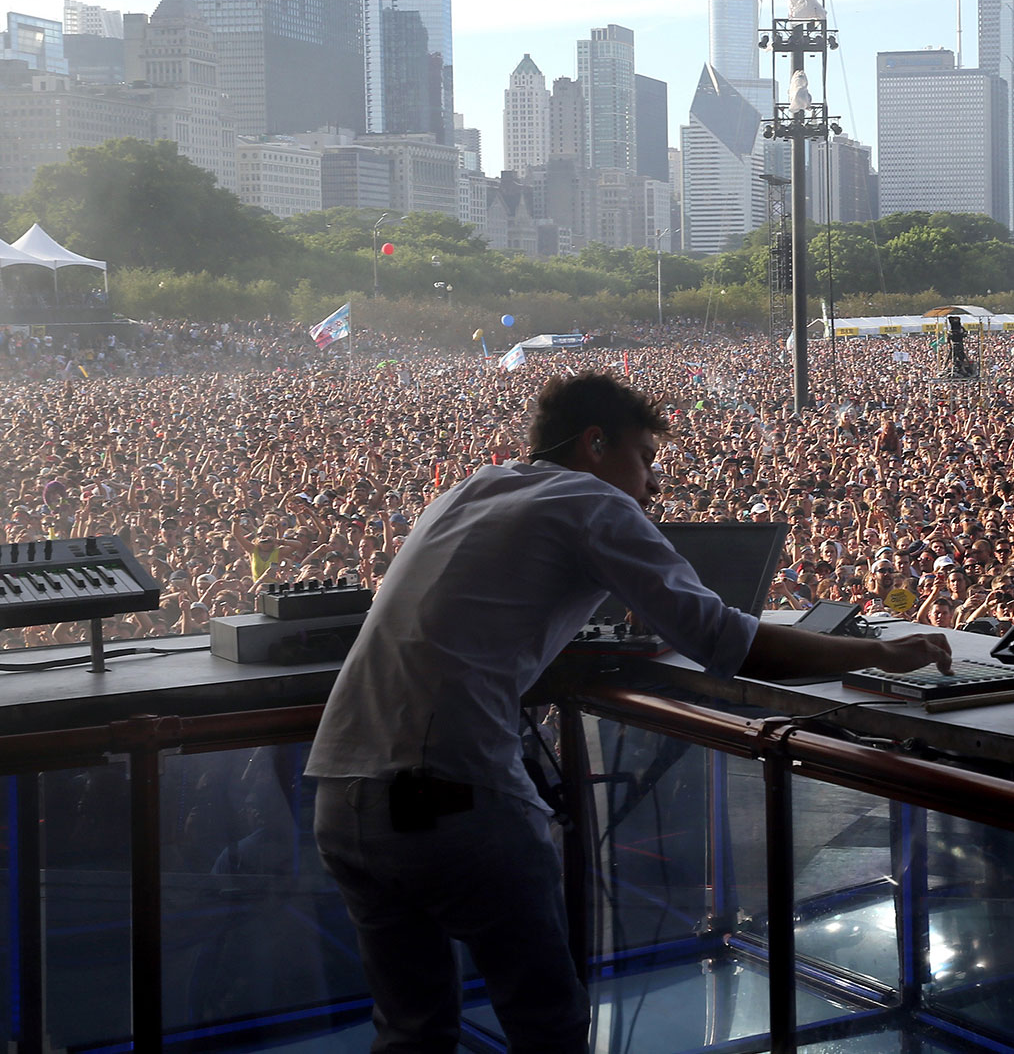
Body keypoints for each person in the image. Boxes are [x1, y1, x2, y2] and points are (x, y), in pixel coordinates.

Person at [307, 373, 951, 1053]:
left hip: (343, 796)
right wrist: (881, 650)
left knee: (410, 1030)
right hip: (454, 801)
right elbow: (726, 639)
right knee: (547, 1023)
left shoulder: (470, 488)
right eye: (644, 458)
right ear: (594, 443)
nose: (651, 485)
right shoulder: (590, 500)